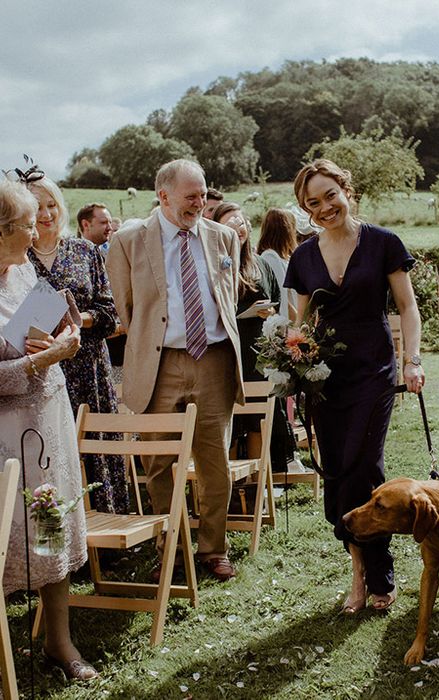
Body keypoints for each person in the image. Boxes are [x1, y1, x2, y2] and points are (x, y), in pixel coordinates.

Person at [285, 158, 425, 614]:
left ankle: (371, 578)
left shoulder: (384, 242)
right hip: (327, 380)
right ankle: (361, 570)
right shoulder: (304, 257)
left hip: (374, 372)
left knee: (364, 466)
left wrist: (412, 360)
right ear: (305, 209)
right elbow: (299, 324)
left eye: (331, 195)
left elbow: (407, 306)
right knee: (340, 473)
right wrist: (293, 361)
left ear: (347, 189)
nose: (325, 207)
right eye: (313, 203)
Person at [106, 159, 244, 582]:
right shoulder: (128, 240)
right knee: (159, 460)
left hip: (214, 359)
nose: (199, 203)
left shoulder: (223, 237)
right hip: (159, 362)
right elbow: (124, 306)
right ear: (163, 195)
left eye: (203, 194)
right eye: (191, 196)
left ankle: (213, 549)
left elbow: (230, 292)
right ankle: (173, 544)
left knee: (213, 459)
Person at [0, 179, 97, 680]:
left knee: (50, 526)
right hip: (4, 441)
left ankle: (60, 644)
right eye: (24, 222)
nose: (36, 227)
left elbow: (42, 337)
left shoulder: (21, 273)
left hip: (47, 425)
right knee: (9, 538)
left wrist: (67, 340)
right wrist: (44, 361)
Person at [27, 176, 128, 514]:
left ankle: (109, 532)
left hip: (90, 369)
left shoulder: (84, 250)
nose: (46, 214)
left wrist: (74, 318)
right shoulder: (16, 258)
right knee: (51, 452)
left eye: (52, 204)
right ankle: (62, 535)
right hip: (42, 370)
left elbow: (109, 313)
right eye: (37, 207)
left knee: (98, 448)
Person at [211, 201, 298, 472]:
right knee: (233, 421)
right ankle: (231, 482)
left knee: (258, 416)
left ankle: (259, 479)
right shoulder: (216, 264)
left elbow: (274, 299)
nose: (238, 227)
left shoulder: (260, 263)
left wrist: (268, 313)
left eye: (241, 221)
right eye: (230, 223)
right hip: (228, 349)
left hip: (257, 349)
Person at [257, 208, 299, 320]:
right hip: (288, 322)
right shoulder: (270, 257)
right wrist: (299, 322)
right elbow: (283, 297)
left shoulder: (286, 257)